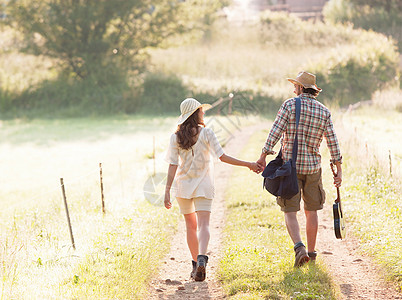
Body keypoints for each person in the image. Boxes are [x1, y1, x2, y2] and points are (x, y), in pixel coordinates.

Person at [164, 97, 262, 281]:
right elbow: (223, 157)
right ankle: (202, 259)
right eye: (201, 110)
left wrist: (167, 190)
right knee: (203, 225)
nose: (203, 112)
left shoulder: (175, 137)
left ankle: (195, 265)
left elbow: (172, 164)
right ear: (196, 113)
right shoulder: (207, 133)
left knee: (190, 227)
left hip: (183, 187)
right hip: (204, 185)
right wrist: (248, 164)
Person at [257, 71, 342, 267]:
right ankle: (311, 254)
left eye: (295, 86)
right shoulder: (324, 111)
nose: (293, 88)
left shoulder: (289, 105)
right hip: (313, 168)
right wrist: (339, 170)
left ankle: (299, 248)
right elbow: (333, 143)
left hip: (290, 168)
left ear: (301, 88)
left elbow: (275, 132)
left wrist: (263, 155)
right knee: (312, 211)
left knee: (290, 211)